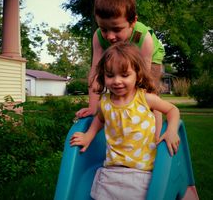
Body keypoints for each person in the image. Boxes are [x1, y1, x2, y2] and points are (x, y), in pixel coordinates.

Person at [70, 42, 180, 200]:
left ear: (138, 74)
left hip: (142, 169)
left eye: (124, 75)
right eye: (110, 75)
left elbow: (172, 110)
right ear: (103, 76)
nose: (116, 81)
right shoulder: (105, 102)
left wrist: (171, 131)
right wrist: (89, 135)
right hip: (112, 168)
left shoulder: (145, 98)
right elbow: (100, 119)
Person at [75, 0, 165, 138]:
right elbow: (95, 72)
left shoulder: (143, 39)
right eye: (104, 29)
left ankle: (156, 138)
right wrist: (93, 107)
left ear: (133, 22)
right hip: (119, 56)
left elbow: (143, 79)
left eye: (116, 29)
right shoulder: (98, 37)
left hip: (148, 58)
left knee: (150, 94)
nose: (109, 36)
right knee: (117, 91)